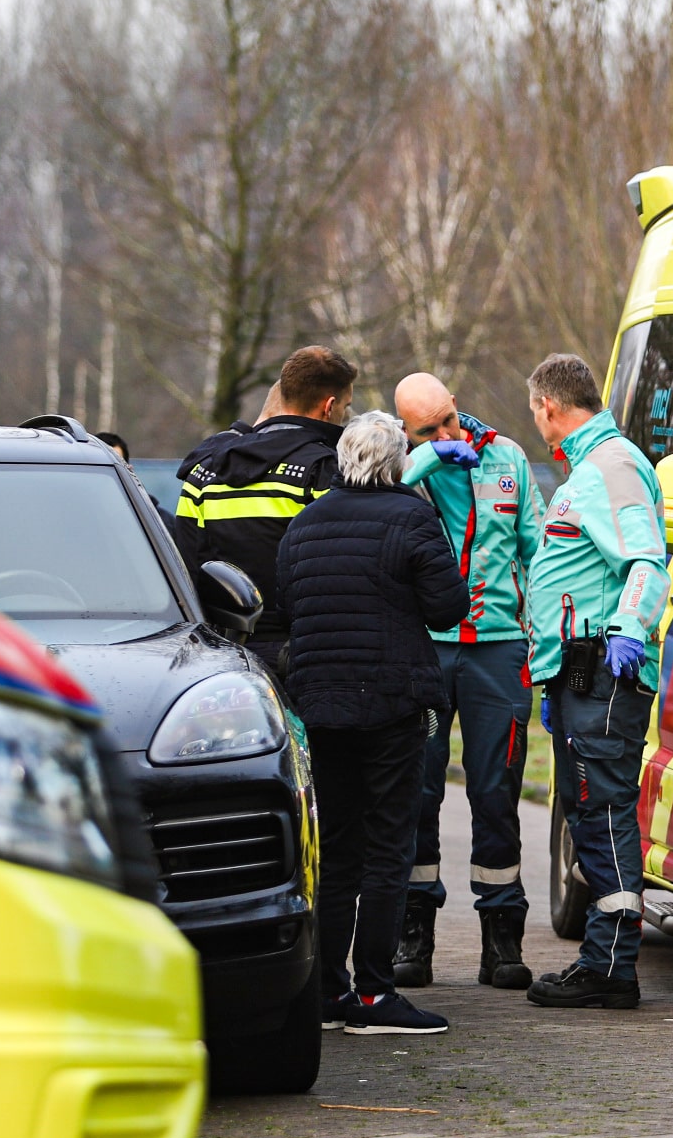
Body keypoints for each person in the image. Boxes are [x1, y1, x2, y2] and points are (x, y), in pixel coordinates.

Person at [274, 411, 467, 1034]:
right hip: (393, 702)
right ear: (396, 463)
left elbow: (289, 606)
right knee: (389, 847)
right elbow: (447, 608)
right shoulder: (411, 517)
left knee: (336, 851)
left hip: (322, 705)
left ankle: (329, 992)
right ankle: (377, 995)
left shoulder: (303, 526)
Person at [521, 353, 666, 1010]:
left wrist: (630, 628)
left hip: (604, 674)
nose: (536, 423)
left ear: (549, 407)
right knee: (589, 809)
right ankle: (605, 960)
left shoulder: (611, 465)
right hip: (579, 678)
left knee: (602, 808)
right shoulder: (589, 467)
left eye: (534, 413)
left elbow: (645, 560)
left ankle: (611, 966)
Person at [391, 371, 545, 990]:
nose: (445, 434)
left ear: (456, 401)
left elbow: (538, 549)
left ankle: (501, 937)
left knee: (496, 790)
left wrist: (543, 641)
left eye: (446, 421)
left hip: (498, 650)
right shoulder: (402, 465)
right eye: (426, 431)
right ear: (407, 430)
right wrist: (424, 458)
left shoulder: (508, 458)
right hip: (426, 650)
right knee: (417, 791)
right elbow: (370, 502)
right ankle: (414, 931)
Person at [172, 347, 354, 665]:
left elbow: (185, 567)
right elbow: (337, 572)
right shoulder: (325, 472)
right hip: (302, 652)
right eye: (347, 407)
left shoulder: (203, 472)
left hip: (218, 653)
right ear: (329, 406)